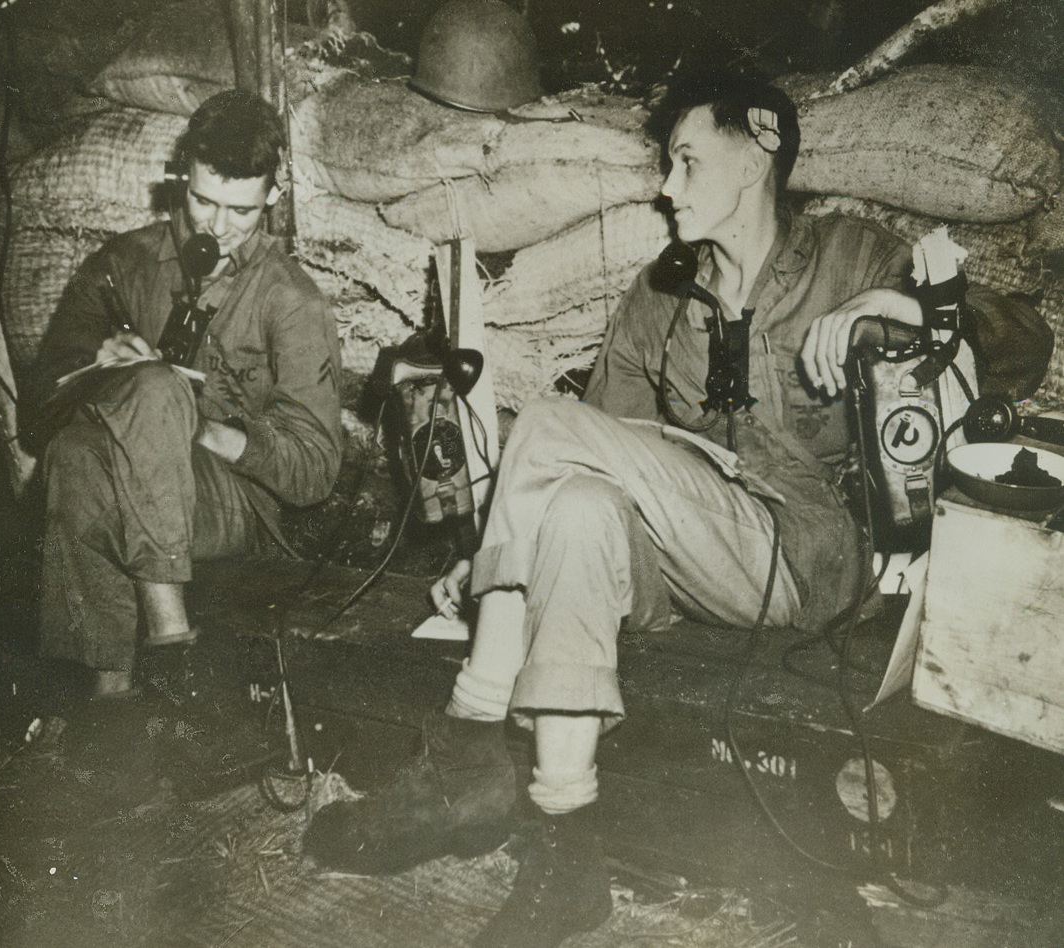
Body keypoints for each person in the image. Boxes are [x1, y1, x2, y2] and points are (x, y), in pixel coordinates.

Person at [302, 71, 1051, 948]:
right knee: (578, 505)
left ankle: (467, 743)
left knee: (544, 424)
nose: (667, 186)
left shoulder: (851, 253)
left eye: (688, 160)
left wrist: (902, 306)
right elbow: (594, 444)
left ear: (760, 149)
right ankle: (566, 851)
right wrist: (502, 554)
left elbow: (1023, 348)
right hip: (686, 563)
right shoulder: (663, 292)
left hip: (806, 557)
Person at [26, 90, 342, 700]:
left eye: (242, 211)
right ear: (181, 181)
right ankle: (111, 692)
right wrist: (98, 364)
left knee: (155, 390)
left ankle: (167, 645)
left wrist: (197, 427)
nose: (218, 227)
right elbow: (39, 406)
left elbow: (314, 472)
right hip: (126, 484)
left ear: (273, 198)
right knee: (75, 453)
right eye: (202, 201)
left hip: (227, 506)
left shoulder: (293, 302)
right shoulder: (126, 262)